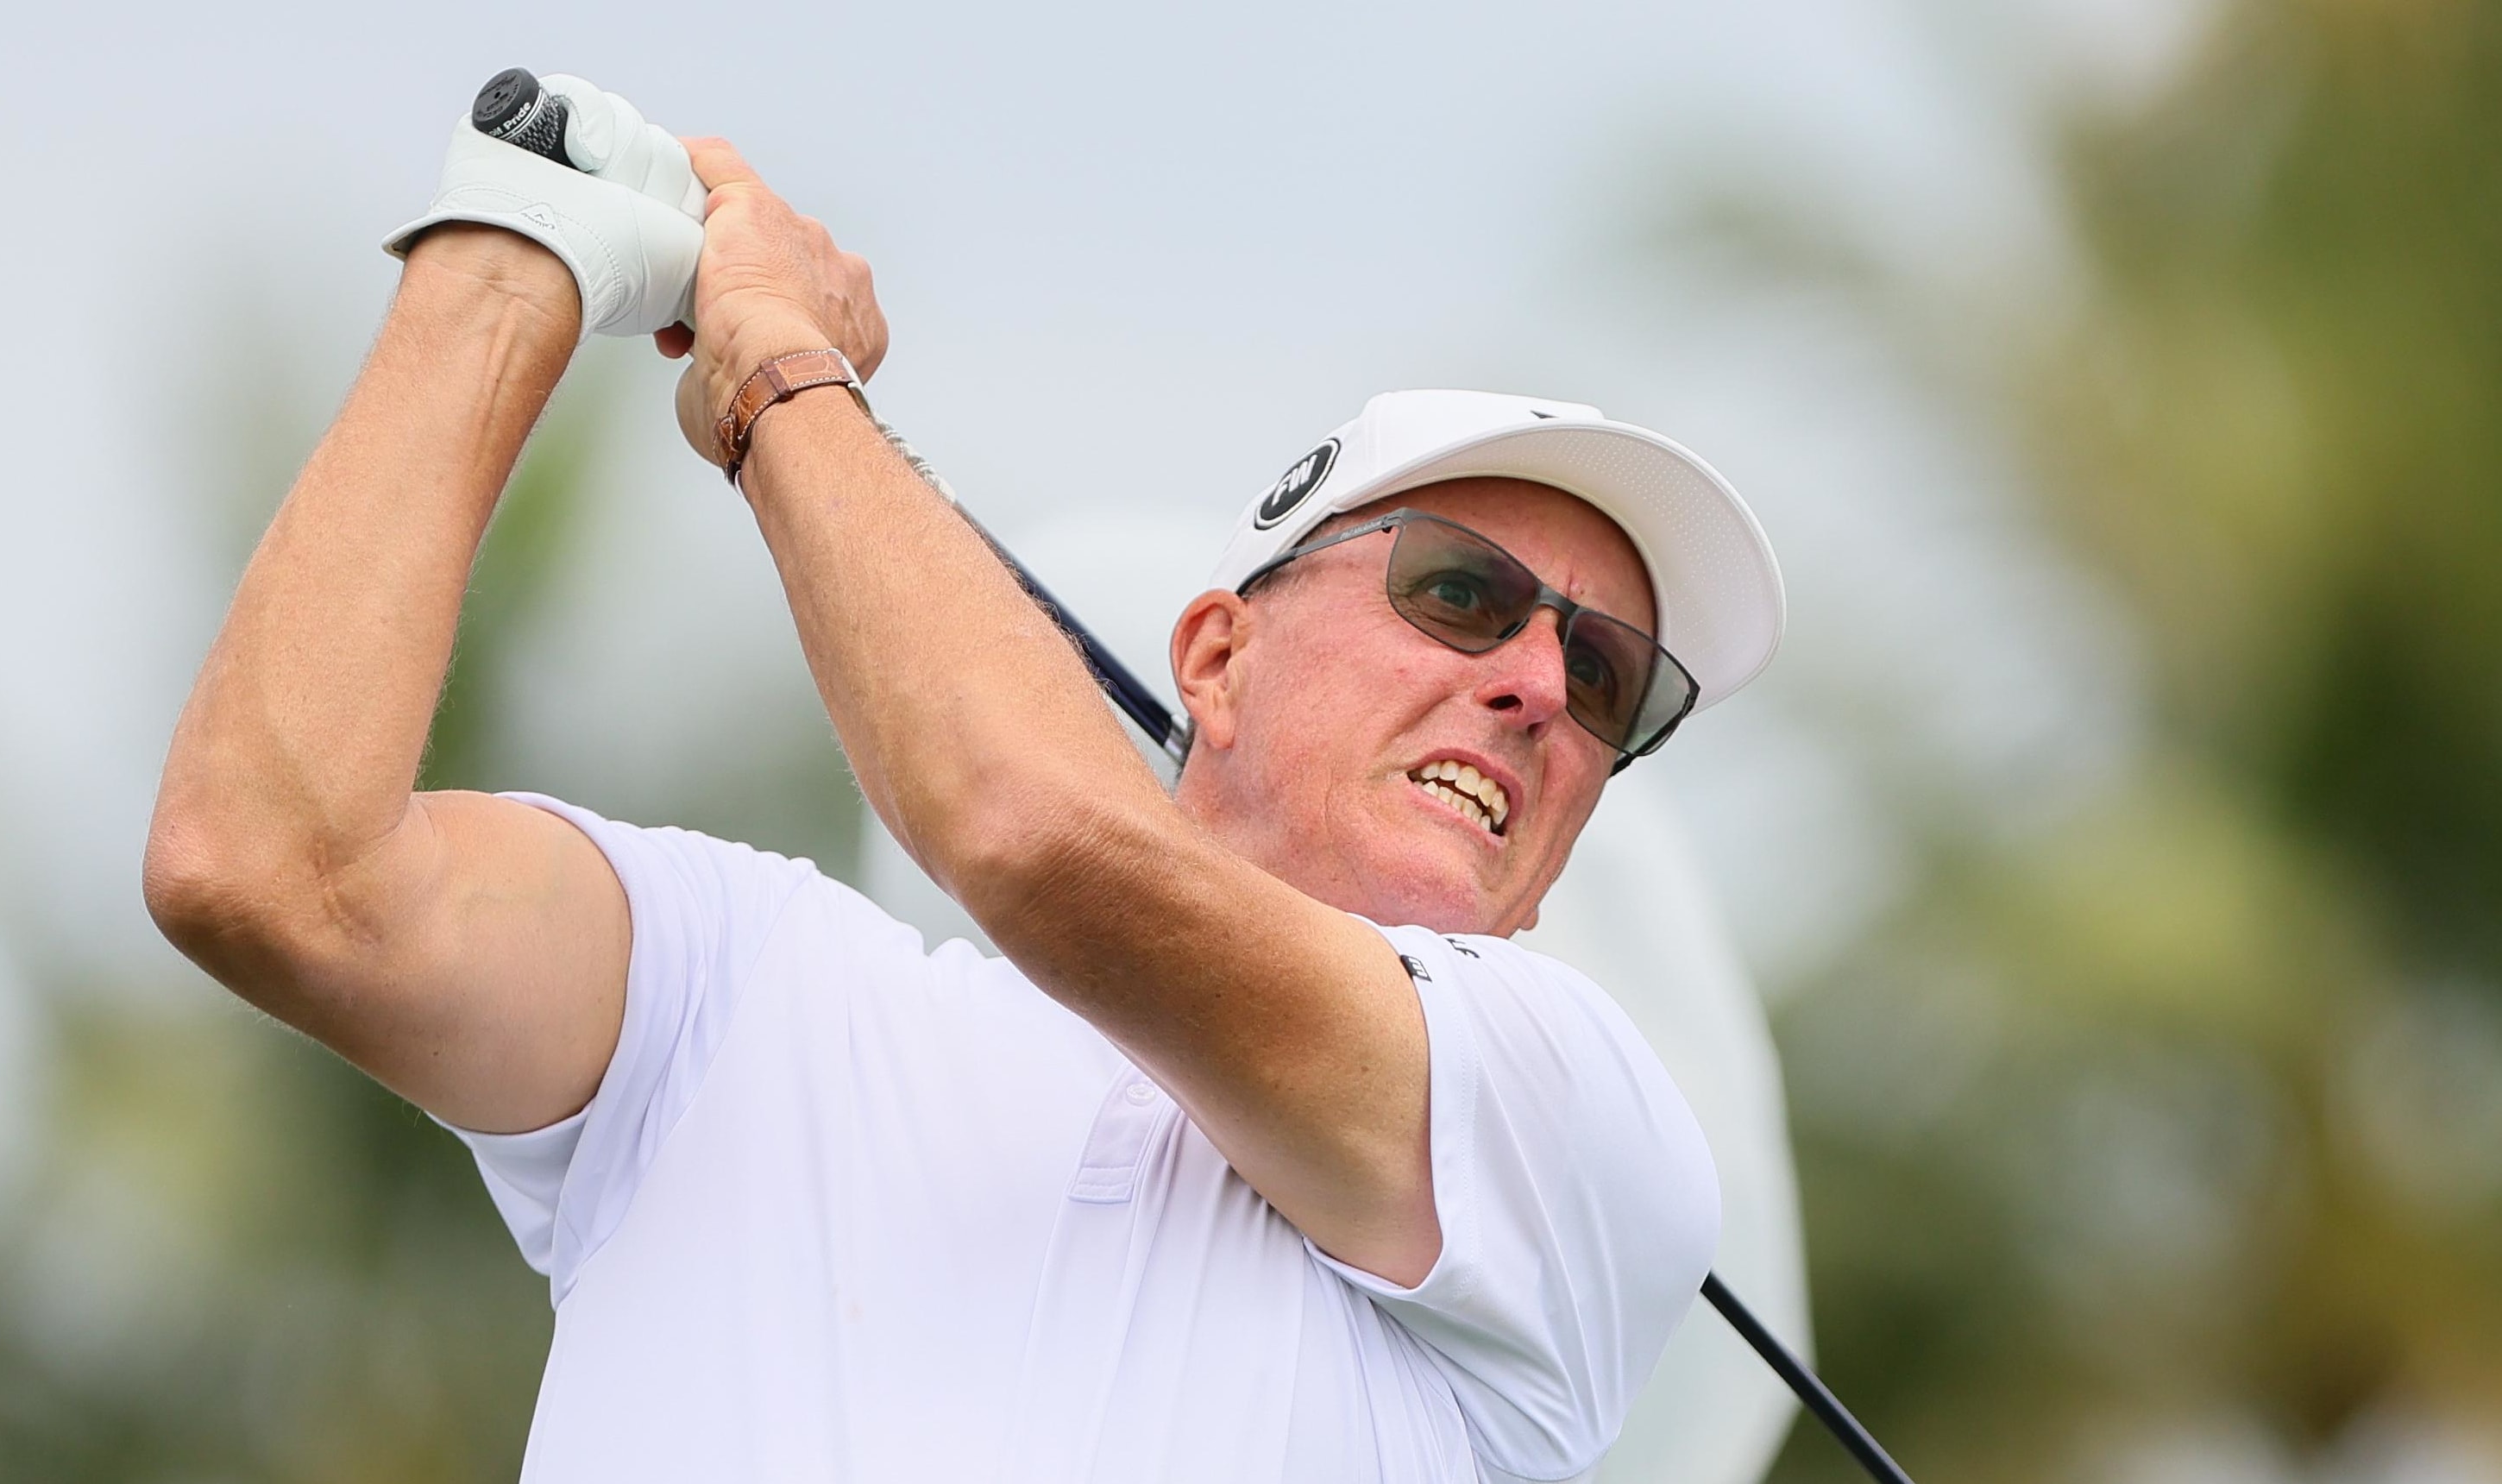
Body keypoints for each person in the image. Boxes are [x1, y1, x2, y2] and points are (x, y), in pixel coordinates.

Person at [142, 76, 1786, 1484]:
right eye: (1461, 594)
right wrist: (515, 252)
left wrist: (775, 371)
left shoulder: (1573, 1112)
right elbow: (274, 871)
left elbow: (1035, 836)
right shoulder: (740, 978)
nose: (1533, 687)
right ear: (1211, 659)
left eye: (1607, 679)